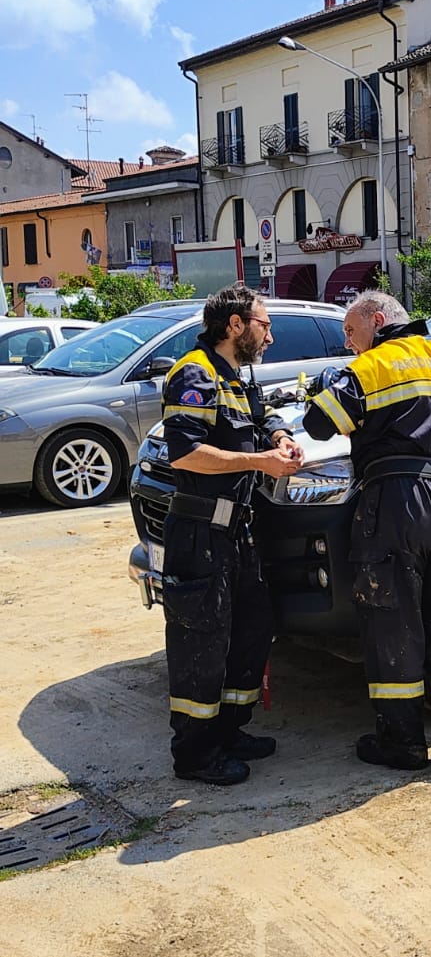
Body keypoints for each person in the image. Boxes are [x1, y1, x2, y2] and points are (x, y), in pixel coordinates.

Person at [302, 290, 431, 770]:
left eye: (351, 331)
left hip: (396, 502)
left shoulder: (370, 367)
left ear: (378, 321)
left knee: (392, 618)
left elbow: (318, 424)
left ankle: (402, 742)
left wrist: (326, 385)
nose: (348, 342)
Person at [161, 284, 304, 785]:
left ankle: (229, 730)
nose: (270, 336)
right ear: (236, 325)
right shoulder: (194, 374)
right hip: (200, 532)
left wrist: (280, 439)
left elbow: (262, 419)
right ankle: (196, 754)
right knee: (201, 643)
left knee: (250, 630)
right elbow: (186, 454)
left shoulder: (235, 378)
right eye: (265, 325)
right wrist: (260, 461)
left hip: (237, 531)